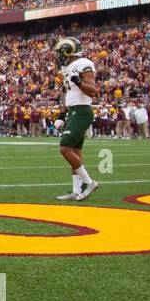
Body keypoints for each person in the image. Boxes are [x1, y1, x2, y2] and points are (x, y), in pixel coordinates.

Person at [54, 36, 100, 201]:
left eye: (60, 51)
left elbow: (93, 91)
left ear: (68, 50)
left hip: (82, 111)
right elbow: (68, 93)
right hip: (73, 111)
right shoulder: (68, 67)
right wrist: (61, 114)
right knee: (75, 152)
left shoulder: (83, 63)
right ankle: (76, 189)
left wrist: (79, 81)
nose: (58, 55)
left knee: (65, 148)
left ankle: (89, 182)